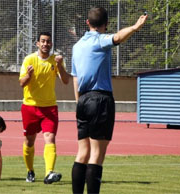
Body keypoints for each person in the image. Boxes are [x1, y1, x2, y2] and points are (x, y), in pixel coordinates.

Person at [71, 7, 148, 194]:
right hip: (100, 99)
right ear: (106, 24)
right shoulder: (100, 41)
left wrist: (79, 103)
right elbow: (118, 38)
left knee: (82, 153)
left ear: (87, 23)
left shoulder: (77, 46)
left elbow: (75, 77)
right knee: (97, 154)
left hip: (82, 100)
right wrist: (135, 27)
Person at [19, 32, 70, 184]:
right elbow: (22, 82)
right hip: (30, 106)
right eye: (43, 41)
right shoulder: (29, 59)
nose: (45, 44)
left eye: (48, 42)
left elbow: (66, 81)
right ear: (37, 43)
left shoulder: (57, 60)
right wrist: (28, 75)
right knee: (29, 142)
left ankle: (49, 173)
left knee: (50, 138)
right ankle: (30, 171)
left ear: (51, 44)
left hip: (49, 107)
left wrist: (60, 66)